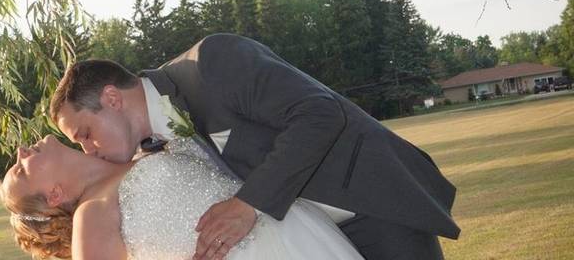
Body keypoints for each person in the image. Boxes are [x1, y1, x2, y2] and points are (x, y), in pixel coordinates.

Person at [50, 34, 459, 260]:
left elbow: (320, 115)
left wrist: (247, 206)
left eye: (85, 133)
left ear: (112, 98)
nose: (90, 149)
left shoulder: (211, 64)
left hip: (368, 205)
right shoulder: (152, 151)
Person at [0, 133, 365, 260]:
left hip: (293, 232)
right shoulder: (91, 213)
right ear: (54, 195)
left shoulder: (131, 149)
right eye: (21, 171)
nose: (20, 152)